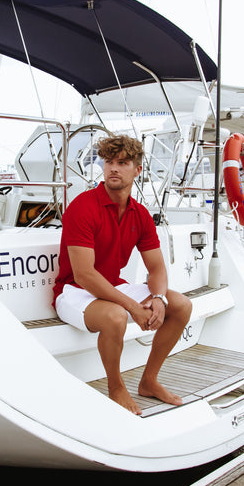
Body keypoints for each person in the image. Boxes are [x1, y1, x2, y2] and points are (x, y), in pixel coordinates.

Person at [53, 133, 192, 415]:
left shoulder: (139, 214)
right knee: (116, 316)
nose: (113, 168)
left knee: (181, 304)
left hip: (112, 287)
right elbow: (84, 275)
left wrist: (159, 298)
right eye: (109, 162)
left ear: (137, 170)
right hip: (73, 291)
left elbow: (157, 268)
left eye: (123, 163)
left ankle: (149, 381)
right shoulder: (83, 207)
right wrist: (132, 306)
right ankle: (116, 388)